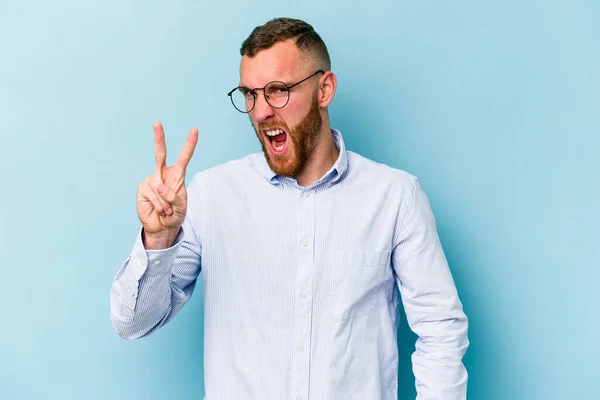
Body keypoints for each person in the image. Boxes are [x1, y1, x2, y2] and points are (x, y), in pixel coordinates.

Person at [110, 17, 469, 400]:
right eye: (250, 94)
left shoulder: (394, 197)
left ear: (324, 89)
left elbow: (440, 329)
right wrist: (160, 237)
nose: (261, 111)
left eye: (278, 90)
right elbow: (132, 323)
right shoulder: (211, 195)